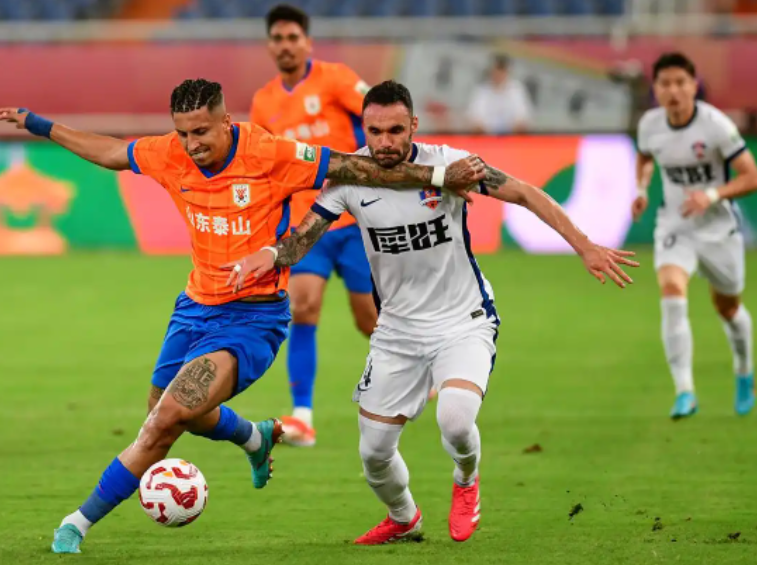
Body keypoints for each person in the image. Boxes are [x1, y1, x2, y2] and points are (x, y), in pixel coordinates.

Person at [0, 78, 486, 554]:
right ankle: (255, 436)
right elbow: (110, 152)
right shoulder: (171, 152)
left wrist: (439, 176)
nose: (192, 144)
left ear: (226, 121)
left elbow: (354, 168)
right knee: (166, 410)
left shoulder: (268, 153)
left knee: (164, 421)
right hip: (193, 309)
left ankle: (76, 523)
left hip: (252, 319)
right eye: (183, 132)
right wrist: (39, 125)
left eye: (201, 131)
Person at [226, 80, 638, 545]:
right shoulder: (349, 179)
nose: (385, 142)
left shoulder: (451, 164)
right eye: (375, 131)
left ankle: (466, 478)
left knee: (456, 420)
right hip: (396, 332)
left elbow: (523, 193)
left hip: (463, 320)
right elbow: (303, 238)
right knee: (374, 455)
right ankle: (404, 518)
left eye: (395, 130)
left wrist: (584, 245)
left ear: (414, 126)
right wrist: (271, 254)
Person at [250, 4, 376, 446]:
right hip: (307, 224)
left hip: (356, 216)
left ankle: (421, 367)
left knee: (369, 319)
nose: (285, 46)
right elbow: (264, 166)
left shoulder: (336, 78)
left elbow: (381, 117)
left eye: (293, 38)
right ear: (269, 46)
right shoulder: (264, 102)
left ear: (307, 42)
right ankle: (302, 416)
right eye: (278, 39)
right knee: (303, 307)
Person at [633, 52, 757, 419]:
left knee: (728, 308)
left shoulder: (715, 125)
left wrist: (712, 195)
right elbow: (645, 157)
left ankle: (744, 372)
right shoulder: (650, 124)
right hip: (676, 227)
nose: (673, 91)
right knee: (672, 293)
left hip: (718, 229)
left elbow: (751, 176)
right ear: (655, 88)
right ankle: (685, 391)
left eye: (680, 83)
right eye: (665, 84)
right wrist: (641, 190)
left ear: (693, 85)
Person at [465, 54, 532, 135]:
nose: (498, 74)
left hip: (510, 137)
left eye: (502, 70)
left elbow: (522, 118)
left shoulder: (517, 90)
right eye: (496, 70)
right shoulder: (481, 91)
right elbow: (475, 118)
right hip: (486, 137)